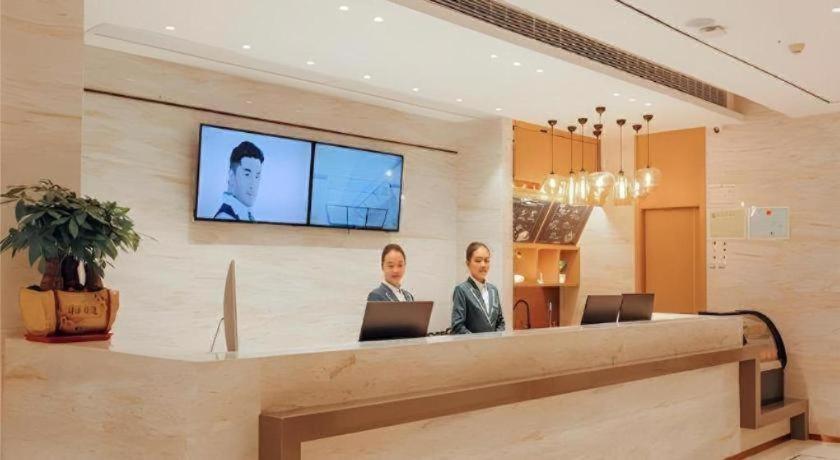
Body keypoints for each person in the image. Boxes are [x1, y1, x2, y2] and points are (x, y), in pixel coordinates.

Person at [451, 242, 505, 334]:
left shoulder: (493, 290)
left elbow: (500, 322)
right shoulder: (462, 290)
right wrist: (478, 341)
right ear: (468, 263)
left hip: (494, 342)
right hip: (472, 343)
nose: (483, 265)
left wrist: (496, 339)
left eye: (487, 260)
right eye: (478, 260)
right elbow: (458, 326)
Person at [214, 141, 264, 221]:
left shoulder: (245, 214)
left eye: (257, 176)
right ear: (232, 176)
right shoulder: (225, 218)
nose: (253, 184)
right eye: (247, 174)